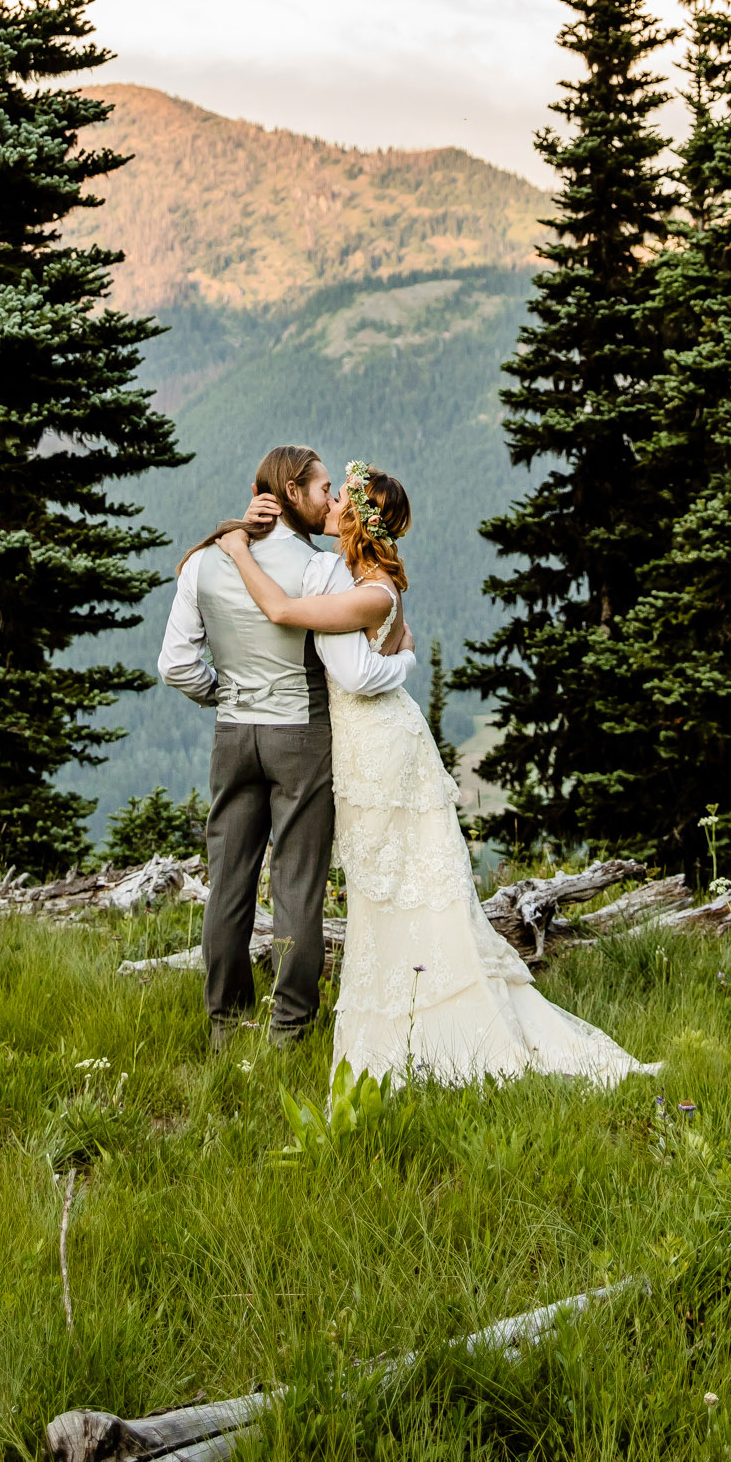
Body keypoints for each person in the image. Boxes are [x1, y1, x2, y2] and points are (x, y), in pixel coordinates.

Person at [214, 461, 653, 1088]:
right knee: (381, 887)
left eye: (344, 497)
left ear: (361, 519)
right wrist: (244, 526)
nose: (332, 500)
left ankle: (433, 1028)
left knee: (401, 887)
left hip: (382, 751)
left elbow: (324, 646)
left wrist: (234, 550)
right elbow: (303, 583)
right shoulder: (346, 573)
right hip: (364, 748)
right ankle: (402, 1014)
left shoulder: (369, 589)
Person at [158, 444, 414, 1049]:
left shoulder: (204, 560)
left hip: (232, 734)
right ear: (293, 493)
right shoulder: (322, 569)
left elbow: (174, 665)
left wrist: (224, 695)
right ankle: (289, 1031)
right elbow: (347, 660)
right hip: (301, 737)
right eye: (324, 488)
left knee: (228, 882)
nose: (332, 499)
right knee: (297, 884)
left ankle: (224, 1025)